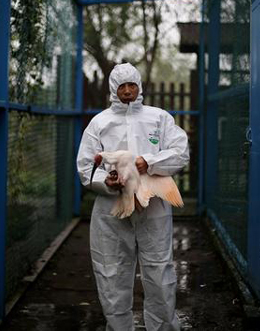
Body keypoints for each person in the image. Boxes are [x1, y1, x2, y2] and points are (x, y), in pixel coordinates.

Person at [76, 63, 189, 330]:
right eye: (121, 86)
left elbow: (180, 152)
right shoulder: (100, 122)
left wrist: (148, 163)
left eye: (132, 85)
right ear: (113, 89)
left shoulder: (158, 118)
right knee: (111, 271)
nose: (127, 91)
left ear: (139, 87)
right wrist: (107, 182)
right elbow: (85, 167)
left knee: (159, 270)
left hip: (154, 205)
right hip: (111, 208)